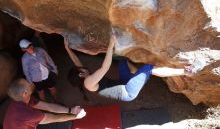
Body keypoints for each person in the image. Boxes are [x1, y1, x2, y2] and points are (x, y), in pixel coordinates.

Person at [65, 35, 193, 101]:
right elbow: (104, 68)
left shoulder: (84, 76)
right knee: (148, 68)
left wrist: (67, 48)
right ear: (81, 75)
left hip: (124, 82)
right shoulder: (88, 82)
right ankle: (186, 71)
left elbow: (77, 63)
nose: (82, 67)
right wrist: (110, 45)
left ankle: (139, 77)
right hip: (128, 91)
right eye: (80, 69)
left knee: (122, 62)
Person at [3, 78, 86, 129]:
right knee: (64, 124)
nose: (31, 82)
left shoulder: (19, 98)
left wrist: (71, 110)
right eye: (28, 82)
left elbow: (48, 107)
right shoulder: (28, 114)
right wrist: (75, 116)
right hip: (26, 122)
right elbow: (54, 118)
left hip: (24, 124)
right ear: (25, 93)